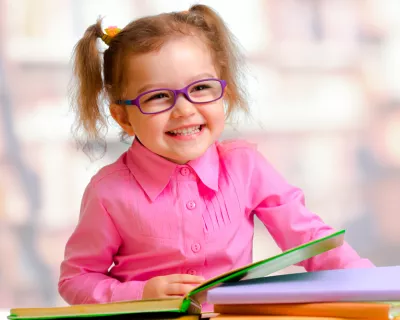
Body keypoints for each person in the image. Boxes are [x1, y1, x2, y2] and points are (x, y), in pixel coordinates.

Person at [58, 4, 374, 310]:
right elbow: (76, 279)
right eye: (157, 96)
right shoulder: (108, 192)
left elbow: (308, 237)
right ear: (123, 117)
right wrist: (141, 292)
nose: (184, 109)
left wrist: (366, 282)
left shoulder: (245, 166)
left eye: (201, 88)